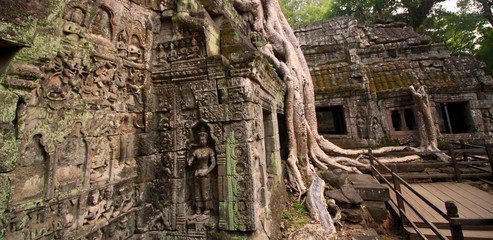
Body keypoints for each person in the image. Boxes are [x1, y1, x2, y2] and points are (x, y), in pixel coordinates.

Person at [188, 127, 216, 216]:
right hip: (197, 173)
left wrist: (206, 172)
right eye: (200, 139)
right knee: (196, 192)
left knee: (205, 193)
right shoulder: (196, 151)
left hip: (205, 172)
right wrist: (188, 151)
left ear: (207, 139)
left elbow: (213, 163)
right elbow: (189, 164)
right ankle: (198, 209)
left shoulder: (209, 150)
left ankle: (206, 210)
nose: (202, 140)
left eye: (203, 138)